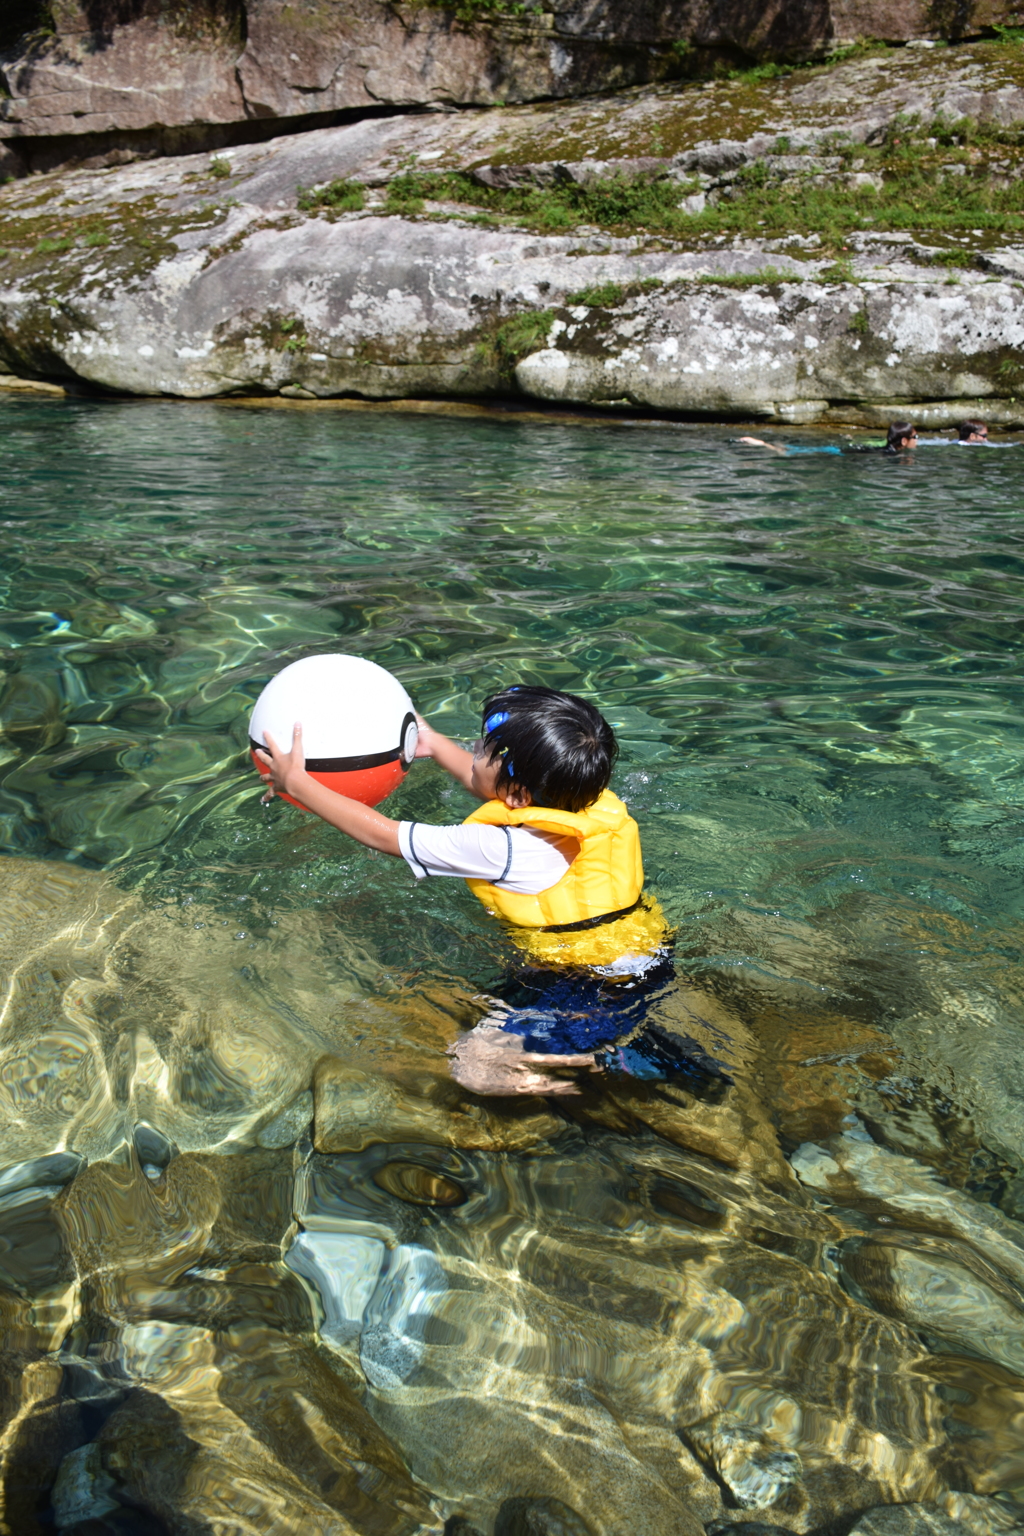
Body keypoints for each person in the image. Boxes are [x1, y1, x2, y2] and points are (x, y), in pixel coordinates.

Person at [255, 685, 729, 1097]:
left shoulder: (498, 847)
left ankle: (615, 1062)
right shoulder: (586, 800)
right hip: (645, 955)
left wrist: (297, 781)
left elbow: (382, 834)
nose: (475, 750)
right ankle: (623, 1038)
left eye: (484, 749)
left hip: (589, 988)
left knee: (473, 1067)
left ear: (520, 794)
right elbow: (494, 786)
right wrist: (434, 743)